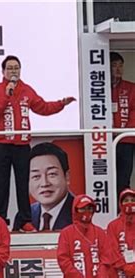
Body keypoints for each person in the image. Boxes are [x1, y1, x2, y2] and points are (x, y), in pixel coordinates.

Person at [0, 55, 76, 232]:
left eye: (16, 68)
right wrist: (7, 95)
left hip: (22, 145)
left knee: (23, 183)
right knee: (2, 185)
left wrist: (61, 104)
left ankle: (24, 220)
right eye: (10, 68)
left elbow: (42, 107)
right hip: (2, 144)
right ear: (3, 71)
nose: (14, 71)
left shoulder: (27, 90)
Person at [15, 142, 74, 231]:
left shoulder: (80, 211)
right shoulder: (25, 216)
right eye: (36, 176)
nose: (44, 183)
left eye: (52, 174)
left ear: (67, 177)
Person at [57, 194, 112, 277]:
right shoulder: (66, 233)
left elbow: (106, 257)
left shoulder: (99, 232)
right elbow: (63, 259)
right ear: (75, 210)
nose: (86, 212)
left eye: (89, 209)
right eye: (82, 209)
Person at [111, 52, 135, 199]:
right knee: (106, 177)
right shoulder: (99, 89)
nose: (118, 69)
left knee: (123, 179)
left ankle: (124, 212)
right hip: (104, 140)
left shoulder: (131, 88)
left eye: (121, 65)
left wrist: (124, 131)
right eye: (114, 66)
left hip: (126, 140)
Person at [107, 188, 135, 277]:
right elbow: (112, 249)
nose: (129, 203)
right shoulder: (113, 225)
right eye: (126, 200)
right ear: (120, 203)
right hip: (119, 271)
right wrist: (124, 266)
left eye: (133, 200)